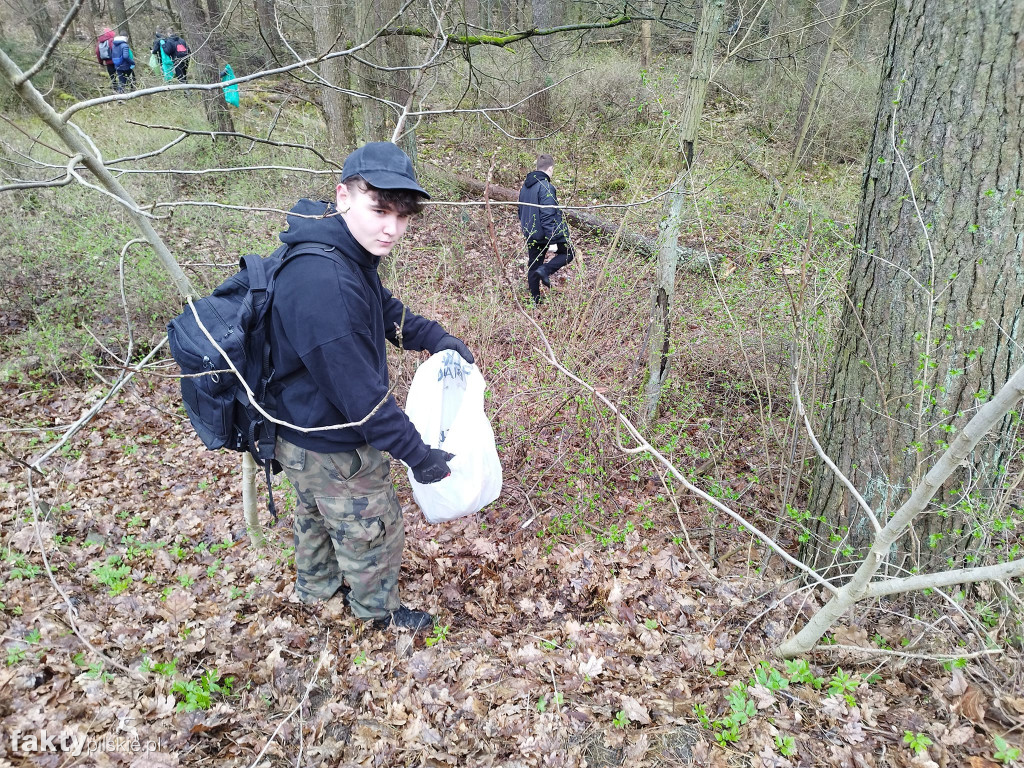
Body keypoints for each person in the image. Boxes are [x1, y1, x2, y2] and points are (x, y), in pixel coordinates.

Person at [268, 142, 474, 631]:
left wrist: (434, 337)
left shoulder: (338, 248)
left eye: (403, 217)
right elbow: (364, 401)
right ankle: (378, 615)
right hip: (332, 439)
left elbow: (381, 309)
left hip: (299, 430)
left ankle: (316, 591)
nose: (392, 229)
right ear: (343, 196)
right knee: (372, 528)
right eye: (379, 210)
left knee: (317, 514)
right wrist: (418, 456)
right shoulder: (324, 280)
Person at [517, 153, 575, 303]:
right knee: (569, 253)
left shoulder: (525, 188)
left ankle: (535, 301)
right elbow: (548, 214)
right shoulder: (546, 187)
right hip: (546, 235)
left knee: (533, 265)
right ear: (550, 169)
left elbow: (520, 211)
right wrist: (553, 240)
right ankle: (545, 270)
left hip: (531, 235)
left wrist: (527, 229)